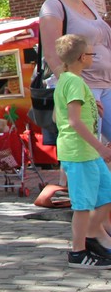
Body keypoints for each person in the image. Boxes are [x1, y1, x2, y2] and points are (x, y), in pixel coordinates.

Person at [52, 34, 111, 267]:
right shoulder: (74, 82)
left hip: (88, 153)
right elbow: (74, 122)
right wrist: (101, 148)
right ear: (80, 57)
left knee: (106, 193)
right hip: (80, 152)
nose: (92, 57)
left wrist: (93, 109)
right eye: (90, 54)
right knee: (83, 205)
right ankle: (78, 251)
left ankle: (94, 235)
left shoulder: (66, 79)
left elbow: (60, 115)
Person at [39, 0, 111, 141]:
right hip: (85, 86)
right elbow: (52, 54)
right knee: (86, 149)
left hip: (106, 84)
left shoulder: (89, 4)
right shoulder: (53, 6)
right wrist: (79, 91)